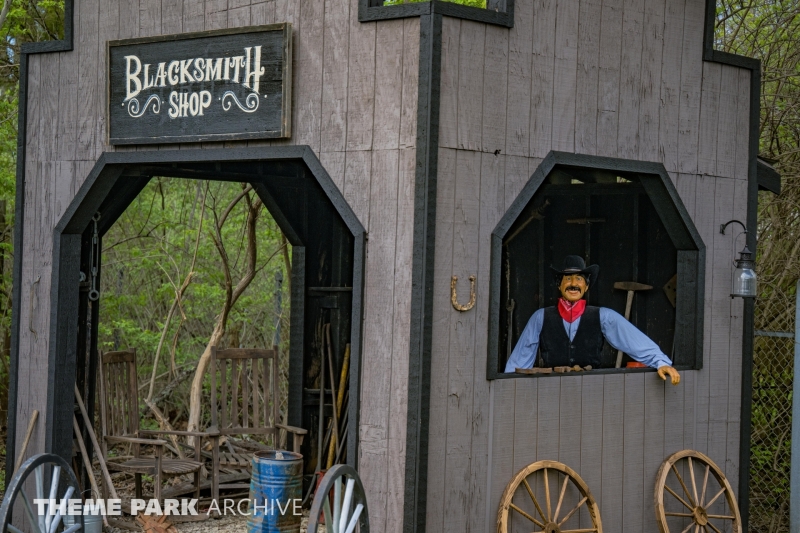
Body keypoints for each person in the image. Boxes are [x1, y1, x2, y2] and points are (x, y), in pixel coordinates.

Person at [505, 255, 681, 385]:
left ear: (587, 286)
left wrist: (661, 363)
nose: (573, 283)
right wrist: (507, 387)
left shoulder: (604, 316)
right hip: (550, 390)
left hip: (592, 389)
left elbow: (636, 342)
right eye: (567, 278)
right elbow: (518, 362)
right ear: (559, 285)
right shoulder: (540, 317)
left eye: (579, 278)